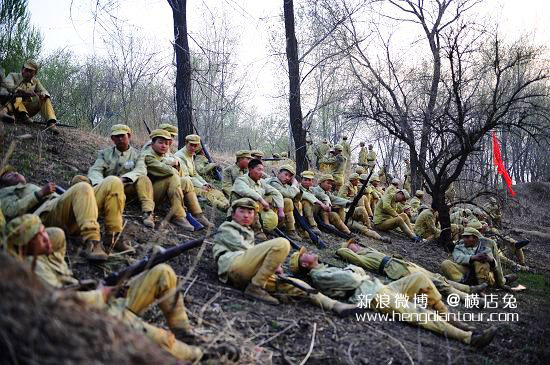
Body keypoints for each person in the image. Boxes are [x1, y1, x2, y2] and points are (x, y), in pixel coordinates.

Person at [3, 214, 221, 362]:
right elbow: (56, 307)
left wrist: (109, 288)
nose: (45, 238)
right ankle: (200, 355)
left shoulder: (42, 256)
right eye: (38, 236)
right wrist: (99, 295)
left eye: (43, 231)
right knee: (163, 339)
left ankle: (185, 332)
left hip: (99, 298)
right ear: (23, 244)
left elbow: (57, 239)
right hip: (90, 315)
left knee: (163, 272)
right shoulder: (24, 279)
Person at [290, 247, 497, 348]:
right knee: (419, 313)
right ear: (305, 265)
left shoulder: (324, 268)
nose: (307, 252)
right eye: (303, 255)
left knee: (419, 279)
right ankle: (469, 338)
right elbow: (354, 279)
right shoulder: (319, 275)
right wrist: (356, 270)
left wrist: (356, 272)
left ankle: (454, 321)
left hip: (378, 287)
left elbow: (355, 274)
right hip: (371, 296)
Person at [211, 198, 362, 317]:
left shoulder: (248, 232)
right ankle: (256, 287)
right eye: (242, 211)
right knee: (282, 243)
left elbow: (252, 253)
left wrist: (272, 266)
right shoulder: (227, 227)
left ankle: (334, 305)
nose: (246, 215)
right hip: (234, 267)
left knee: (296, 283)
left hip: (248, 273)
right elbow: (245, 250)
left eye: (250, 212)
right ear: (233, 213)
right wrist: (273, 263)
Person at [0, 167, 116, 261]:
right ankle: (93, 242)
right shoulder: (4, 193)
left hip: (77, 215)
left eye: (15, 171)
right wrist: (39, 194)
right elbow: (11, 211)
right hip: (48, 216)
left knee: (112, 182)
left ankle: (113, 236)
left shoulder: (28, 186)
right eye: (8, 174)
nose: (15, 173)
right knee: (83, 187)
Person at [336, 239, 487, 302]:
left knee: (437, 276)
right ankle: (470, 299)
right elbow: (341, 252)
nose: (355, 245)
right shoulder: (360, 258)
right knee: (436, 283)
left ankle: (469, 289)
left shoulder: (367, 249)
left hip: (403, 264)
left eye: (354, 243)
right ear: (351, 251)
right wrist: (346, 248)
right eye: (352, 246)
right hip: (394, 269)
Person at [72, 124, 155, 230]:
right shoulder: (104, 154)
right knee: (79, 179)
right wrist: (101, 184)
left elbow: (140, 170)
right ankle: (81, 209)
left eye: (123, 136)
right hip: (105, 189)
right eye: (117, 136)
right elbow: (95, 170)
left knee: (144, 179)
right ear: (112, 138)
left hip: (127, 189)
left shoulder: (138, 154)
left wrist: (123, 179)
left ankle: (148, 213)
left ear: (129, 136)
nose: (120, 139)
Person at [142, 129, 212, 231]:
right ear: (152, 143)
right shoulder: (148, 155)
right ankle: (178, 215)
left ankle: (198, 214)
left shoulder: (166, 153)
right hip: (151, 193)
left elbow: (178, 168)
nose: (165, 145)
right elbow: (170, 171)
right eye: (161, 142)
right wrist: (172, 163)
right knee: (174, 177)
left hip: (166, 190)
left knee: (186, 181)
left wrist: (173, 163)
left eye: (167, 142)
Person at [440, 227, 517, 290]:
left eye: (467, 237)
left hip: (484, 275)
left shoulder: (485, 247)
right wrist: (473, 257)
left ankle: (482, 287)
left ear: (474, 238)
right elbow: (458, 258)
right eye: (464, 237)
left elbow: (495, 265)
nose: (464, 239)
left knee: (481, 262)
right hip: (466, 273)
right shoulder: (459, 247)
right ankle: (462, 284)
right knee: (446, 263)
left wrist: (490, 259)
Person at [230, 159, 284, 239]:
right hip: (238, 213)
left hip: (254, 213)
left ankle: (266, 228)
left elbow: (276, 193)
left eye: (262, 170)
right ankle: (257, 230)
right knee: (251, 200)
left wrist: (280, 210)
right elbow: (246, 191)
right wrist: (262, 200)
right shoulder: (241, 180)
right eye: (259, 169)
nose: (261, 173)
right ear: (250, 169)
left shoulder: (261, 182)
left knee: (271, 200)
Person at [0, 60, 58, 133]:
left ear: (35, 73)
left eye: (31, 71)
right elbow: (8, 86)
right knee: (15, 95)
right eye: (26, 69)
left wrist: (43, 93)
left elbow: (44, 91)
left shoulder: (36, 82)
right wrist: (23, 91)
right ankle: (9, 114)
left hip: (28, 110)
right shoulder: (12, 76)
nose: (28, 72)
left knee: (46, 98)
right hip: (12, 107)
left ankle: (51, 123)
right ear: (22, 69)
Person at [174, 134, 229, 211]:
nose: (193, 148)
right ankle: (225, 208)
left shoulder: (190, 155)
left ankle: (230, 205)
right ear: (186, 143)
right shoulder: (179, 156)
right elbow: (186, 177)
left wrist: (204, 183)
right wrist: (201, 185)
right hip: (185, 186)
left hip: (194, 183)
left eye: (195, 146)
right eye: (191, 145)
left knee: (217, 192)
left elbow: (195, 173)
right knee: (206, 194)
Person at [265, 165, 302, 240]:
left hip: (276, 215)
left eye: (290, 177)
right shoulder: (273, 182)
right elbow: (289, 194)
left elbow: (297, 199)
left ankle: (296, 227)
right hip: (267, 216)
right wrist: (294, 184)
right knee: (288, 201)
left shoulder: (284, 184)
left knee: (297, 203)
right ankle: (291, 230)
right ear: (279, 173)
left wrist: (294, 185)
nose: (287, 178)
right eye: (286, 174)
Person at [298, 170, 328, 235]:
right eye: (305, 180)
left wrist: (327, 203)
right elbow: (306, 195)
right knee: (306, 202)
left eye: (310, 180)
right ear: (301, 180)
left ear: (312, 181)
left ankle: (326, 224)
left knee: (323, 202)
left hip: (310, 212)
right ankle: (313, 226)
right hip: (299, 213)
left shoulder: (312, 189)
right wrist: (321, 204)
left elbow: (323, 195)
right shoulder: (297, 187)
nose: (307, 182)